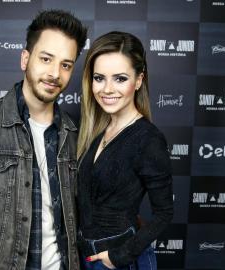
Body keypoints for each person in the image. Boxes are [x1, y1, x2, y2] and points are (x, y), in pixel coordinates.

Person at [0, 10, 87, 270]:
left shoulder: (74, 133)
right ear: (25, 59)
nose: (55, 73)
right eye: (46, 59)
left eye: (66, 65)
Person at [76, 31, 174, 270]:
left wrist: (120, 256)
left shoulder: (148, 138)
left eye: (120, 78)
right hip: (86, 255)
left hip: (116, 259)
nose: (107, 89)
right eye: (99, 78)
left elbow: (164, 213)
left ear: (139, 80)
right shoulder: (97, 131)